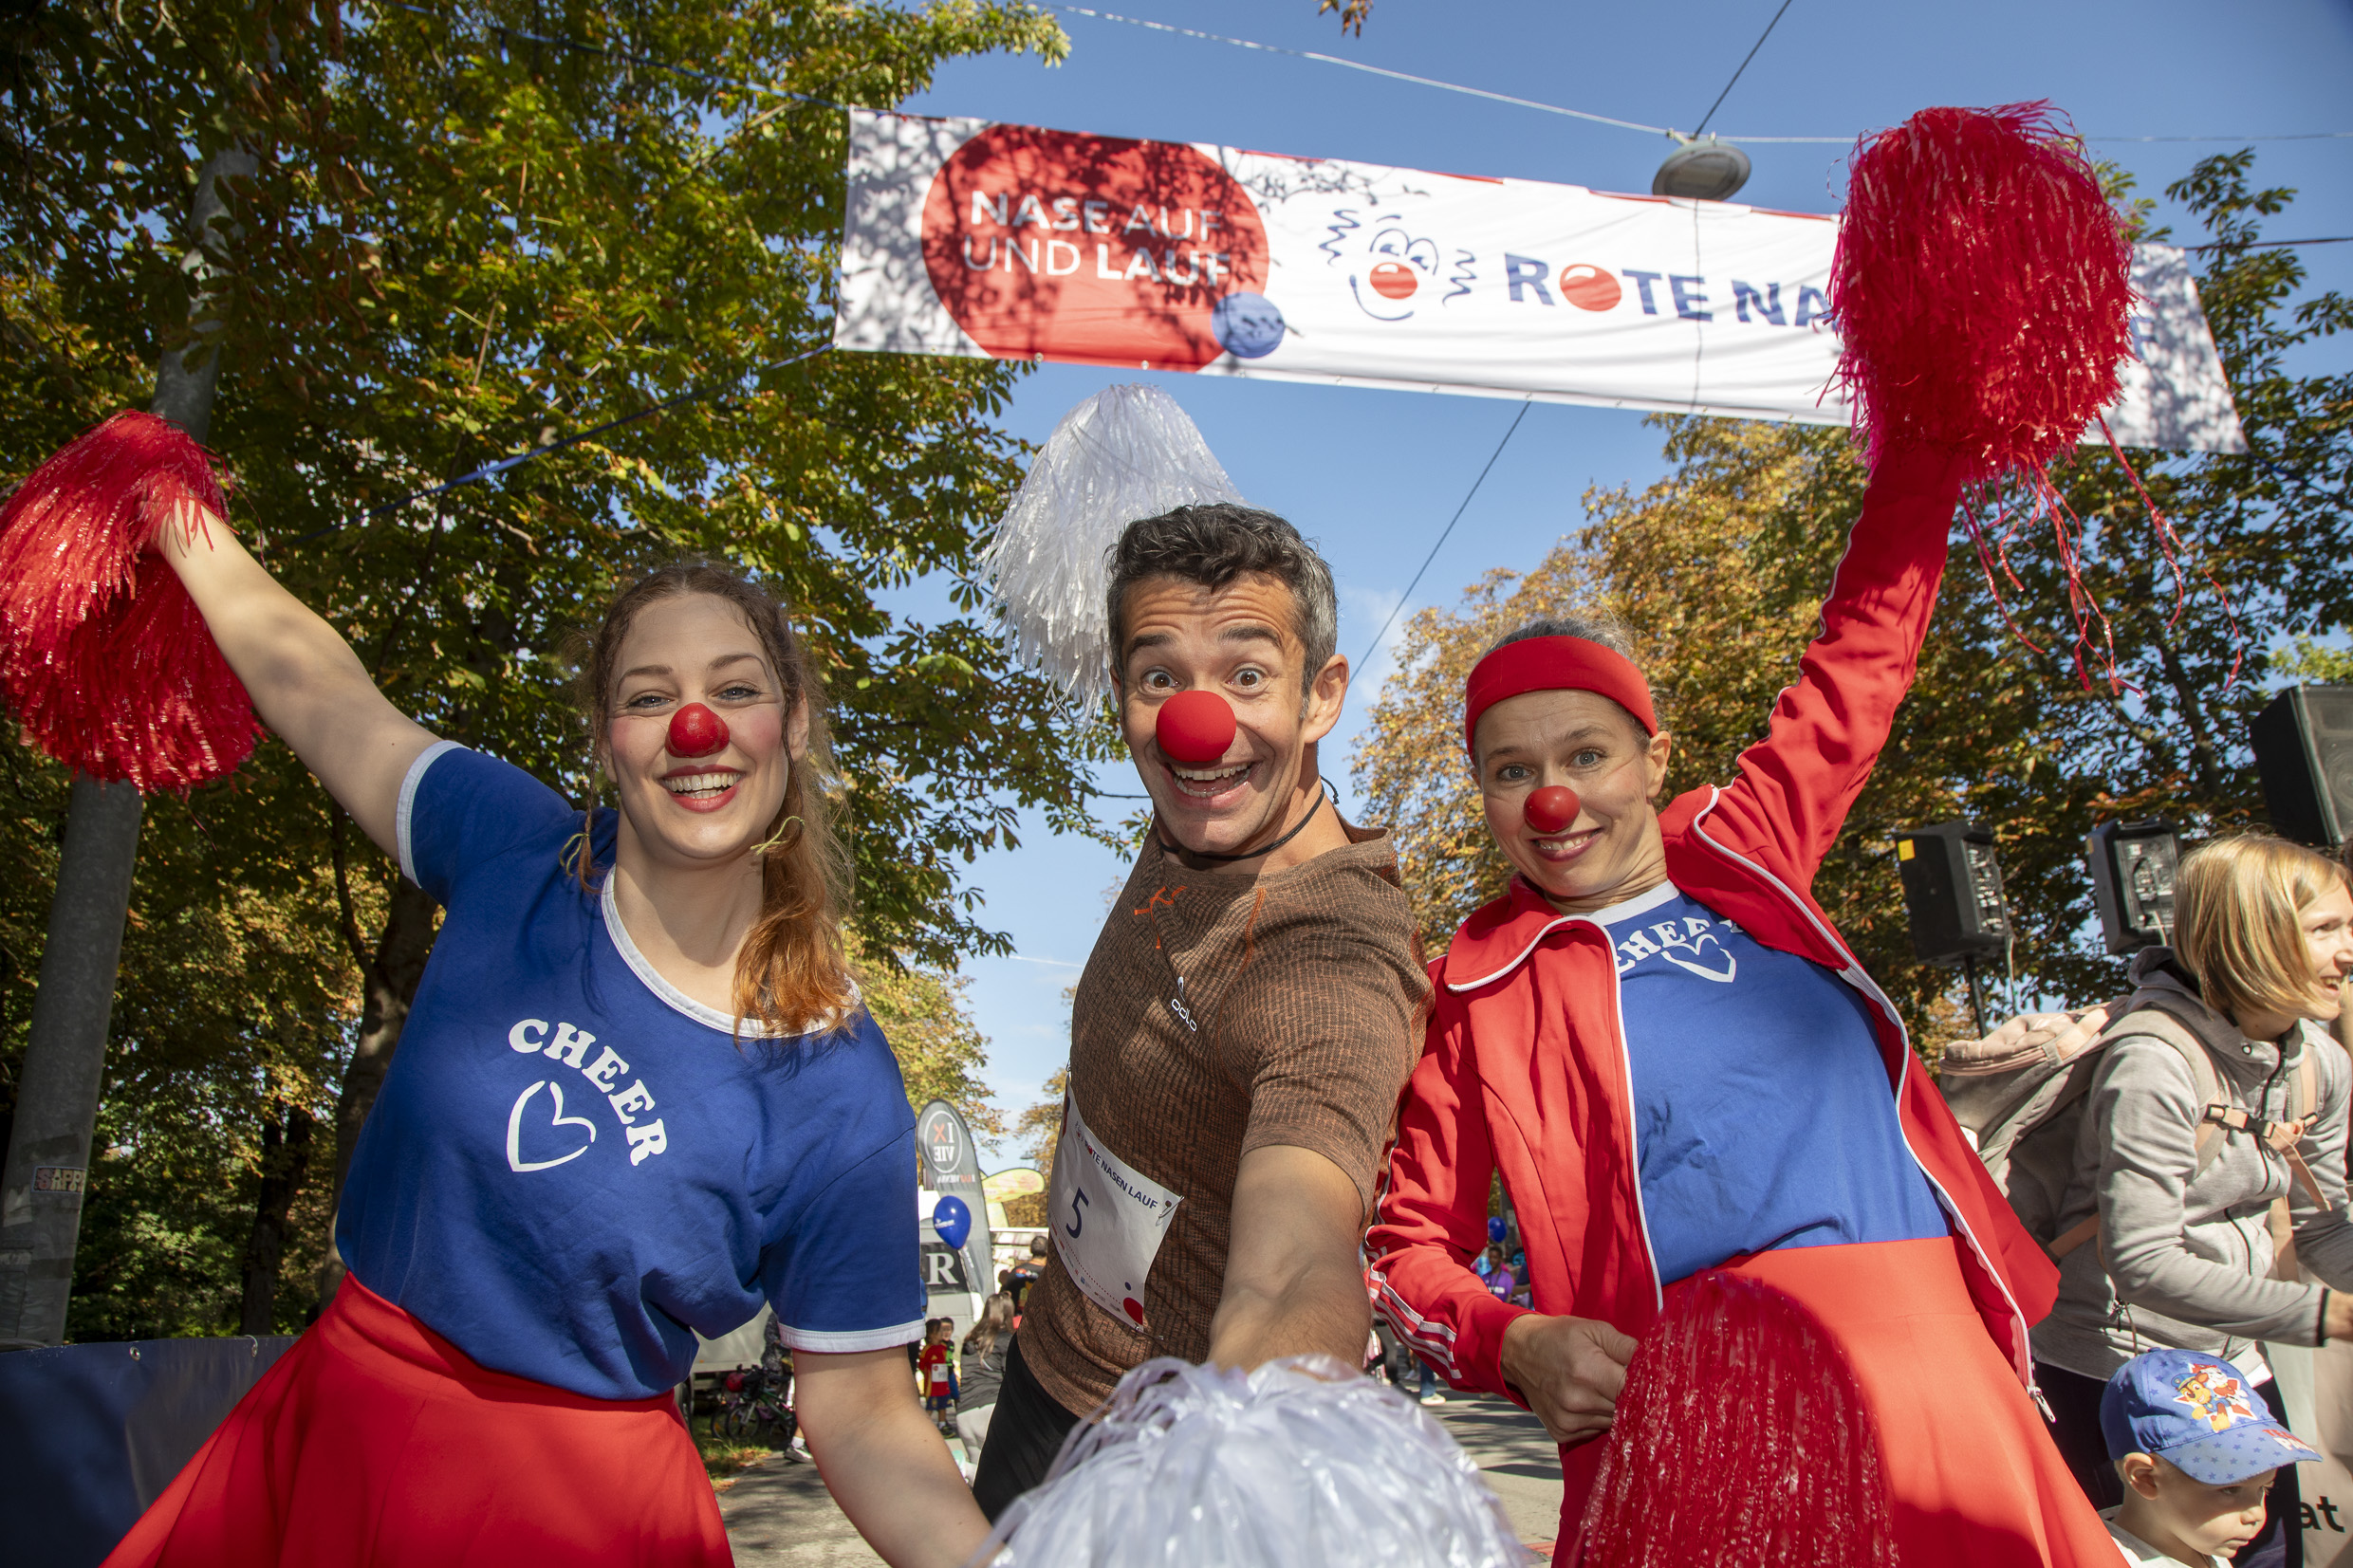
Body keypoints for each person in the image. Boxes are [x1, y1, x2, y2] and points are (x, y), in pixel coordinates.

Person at [103, 496, 986, 1567]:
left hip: (576, 1517)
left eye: (734, 691)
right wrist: (170, 504)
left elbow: (862, 1413)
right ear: (608, 743)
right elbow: (320, 691)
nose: (692, 729)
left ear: (789, 726)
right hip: (337, 1435)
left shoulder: (836, 1083)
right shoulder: (511, 849)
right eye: (648, 697)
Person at [1366, 446, 2116, 1567]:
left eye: (1585, 754)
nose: (1553, 797)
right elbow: (1406, 1242)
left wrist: (1921, 426)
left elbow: (1862, 651)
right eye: (1510, 771)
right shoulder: (1476, 985)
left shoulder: (1744, 851)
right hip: (1701, 1418)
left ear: (1651, 757)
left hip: (1928, 1367)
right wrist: (1510, 1340)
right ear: (1480, 794)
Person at [972, 504, 1429, 1520]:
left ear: (1323, 697)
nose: (1197, 721)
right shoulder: (1204, 800)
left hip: (1158, 1462)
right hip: (1046, 1372)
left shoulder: (1328, 964)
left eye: (1248, 676)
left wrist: (1256, 1436)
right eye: (1158, 677)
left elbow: (1292, 1262)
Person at [2033, 835, 2353, 1567]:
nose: (2349, 951)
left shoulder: (2321, 1062)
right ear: (2255, 935)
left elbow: (2326, 1231)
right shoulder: (2155, 1058)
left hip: (2236, 1368)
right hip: (2114, 1371)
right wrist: (2326, 1315)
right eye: (2326, 930)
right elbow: (2143, 1260)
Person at [2100, 1349, 2321, 1568]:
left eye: (2265, 1488)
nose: (2257, 1514)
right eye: (2230, 1489)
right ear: (2146, 1478)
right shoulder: (2104, 1559)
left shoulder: (2193, 1538)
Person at [957, 1294, 1016, 1456]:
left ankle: (963, 1470)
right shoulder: (1008, 1340)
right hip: (991, 1408)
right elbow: (1011, 1379)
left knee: (977, 1475)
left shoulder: (970, 1341)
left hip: (964, 1412)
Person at [919, 1319, 958, 1432]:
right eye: (939, 1331)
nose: (942, 1333)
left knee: (943, 1406)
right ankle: (923, 1425)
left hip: (943, 1385)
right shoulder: (927, 1350)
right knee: (931, 1406)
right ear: (931, 1334)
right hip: (933, 1387)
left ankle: (942, 1425)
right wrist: (928, 1375)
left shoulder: (944, 1347)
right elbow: (922, 1365)